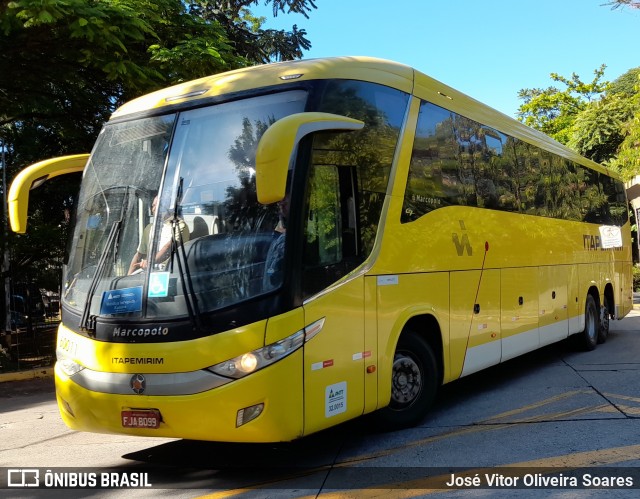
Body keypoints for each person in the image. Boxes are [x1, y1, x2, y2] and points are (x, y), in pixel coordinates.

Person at [128, 196, 190, 274]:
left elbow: (168, 248)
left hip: (171, 272)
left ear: (166, 207)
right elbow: (139, 254)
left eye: (156, 206)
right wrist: (128, 276)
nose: (153, 209)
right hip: (149, 273)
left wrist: (150, 263)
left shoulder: (179, 225)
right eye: (152, 206)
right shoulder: (149, 228)